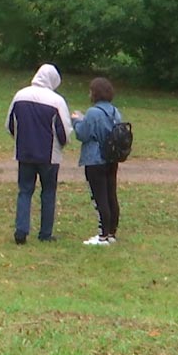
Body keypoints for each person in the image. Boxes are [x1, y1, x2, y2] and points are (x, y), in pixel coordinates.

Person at [5, 63, 72, 244]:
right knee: (48, 192)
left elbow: (10, 125)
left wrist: (21, 140)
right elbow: (64, 131)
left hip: (25, 152)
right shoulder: (57, 101)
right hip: (49, 155)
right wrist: (62, 145)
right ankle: (45, 233)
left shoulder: (20, 96)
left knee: (25, 191)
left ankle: (21, 230)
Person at [71, 77, 123, 246]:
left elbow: (83, 134)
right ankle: (111, 233)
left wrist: (77, 120)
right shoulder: (115, 112)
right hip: (111, 158)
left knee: (99, 196)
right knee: (110, 195)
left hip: (95, 159)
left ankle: (102, 235)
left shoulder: (93, 113)